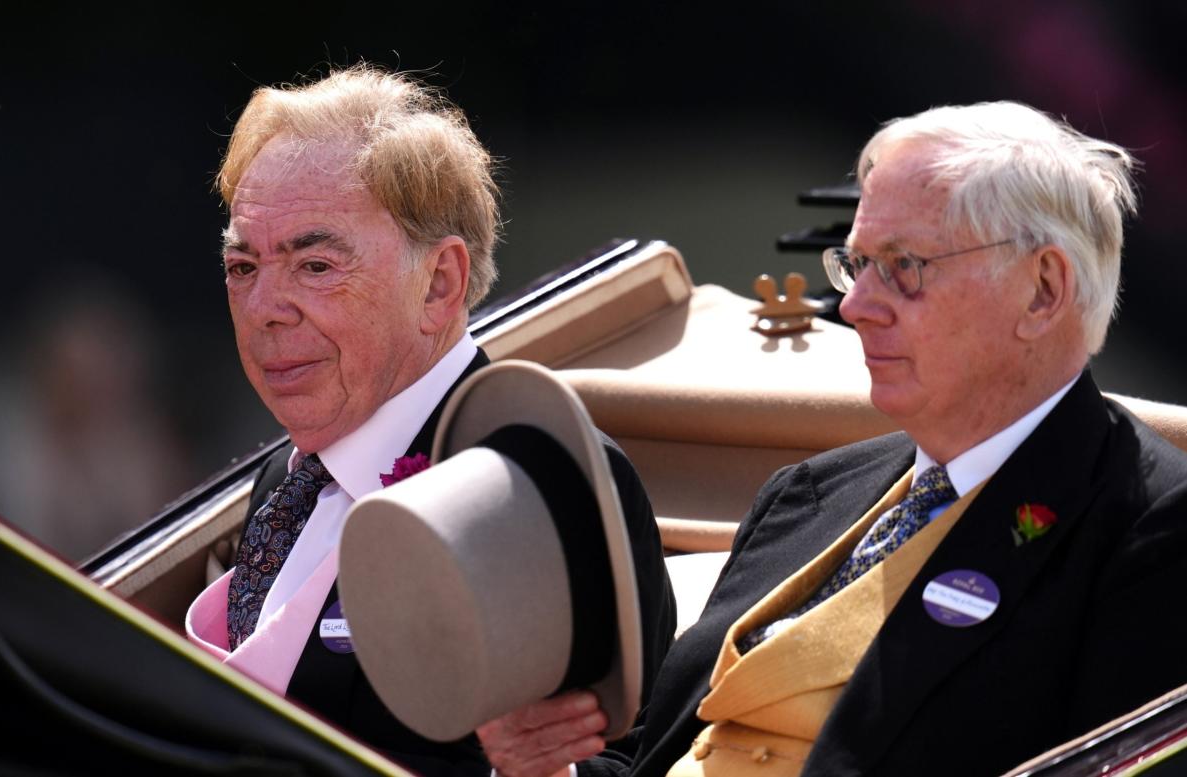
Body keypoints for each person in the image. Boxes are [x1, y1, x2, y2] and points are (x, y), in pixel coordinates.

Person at [478, 101, 1187, 777]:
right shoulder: (810, 492)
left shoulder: (1148, 527)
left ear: (1041, 291)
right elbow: (649, 755)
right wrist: (544, 762)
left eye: (904, 266)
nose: (854, 306)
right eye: (854, 264)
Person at [182, 65, 676, 776]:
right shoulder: (285, 479)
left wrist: (532, 770)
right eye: (241, 265)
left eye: (315, 266)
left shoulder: (538, 486)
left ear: (438, 284)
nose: (264, 308)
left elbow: (645, 764)